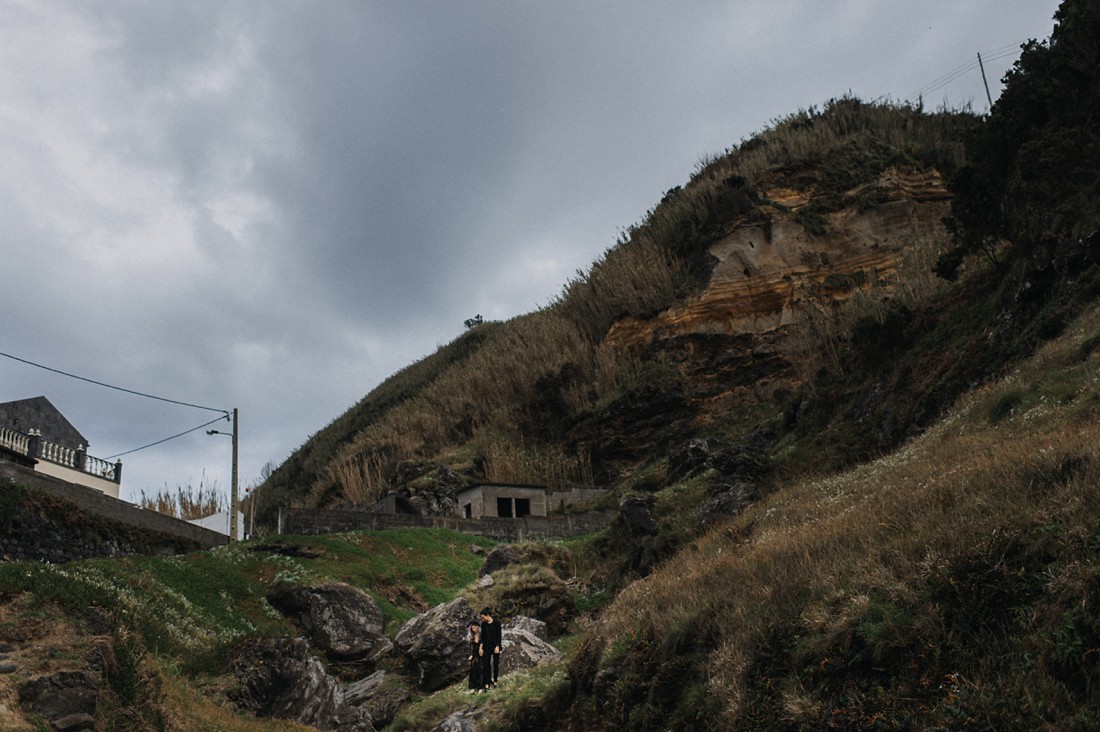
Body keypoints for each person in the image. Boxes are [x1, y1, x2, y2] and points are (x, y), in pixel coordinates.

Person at [478, 606, 502, 689]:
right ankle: (487, 682)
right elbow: (483, 637)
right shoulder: (483, 624)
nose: (482, 619)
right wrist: (480, 648)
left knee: (496, 664)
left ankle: (495, 681)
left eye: (483, 617)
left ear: (487, 615)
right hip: (486, 647)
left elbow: (499, 636)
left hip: (495, 646)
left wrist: (497, 646)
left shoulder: (497, 623)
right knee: (486, 665)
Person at [466, 620, 483, 693]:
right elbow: (471, 647)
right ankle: (473, 687)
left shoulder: (482, 635)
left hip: (481, 654)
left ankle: (481, 687)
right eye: (472, 628)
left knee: (481, 670)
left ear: (477, 627)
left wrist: (481, 648)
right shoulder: (472, 637)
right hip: (475, 654)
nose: (473, 629)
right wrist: (471, 655)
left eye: (474, 628)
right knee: (473, 670)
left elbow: (484, 642)